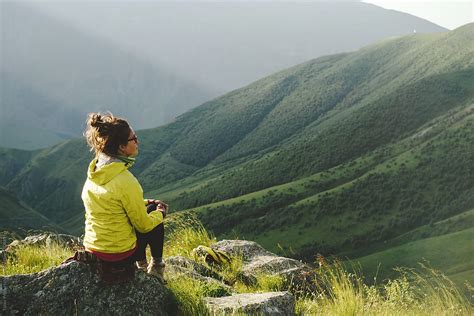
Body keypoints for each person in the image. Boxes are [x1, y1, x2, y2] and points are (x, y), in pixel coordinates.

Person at [81, 112, 168, 283]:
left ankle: (142, 264)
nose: (137, 141)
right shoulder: (126, 181)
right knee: (153, 218)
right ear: (121, 147)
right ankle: (155, 267)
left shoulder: (95, 172)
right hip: (116, 254)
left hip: (93, 247)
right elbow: (143, 226)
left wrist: (141, 203)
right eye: (133, 138)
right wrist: (161, 213)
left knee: (146, 208)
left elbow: (109, 202)